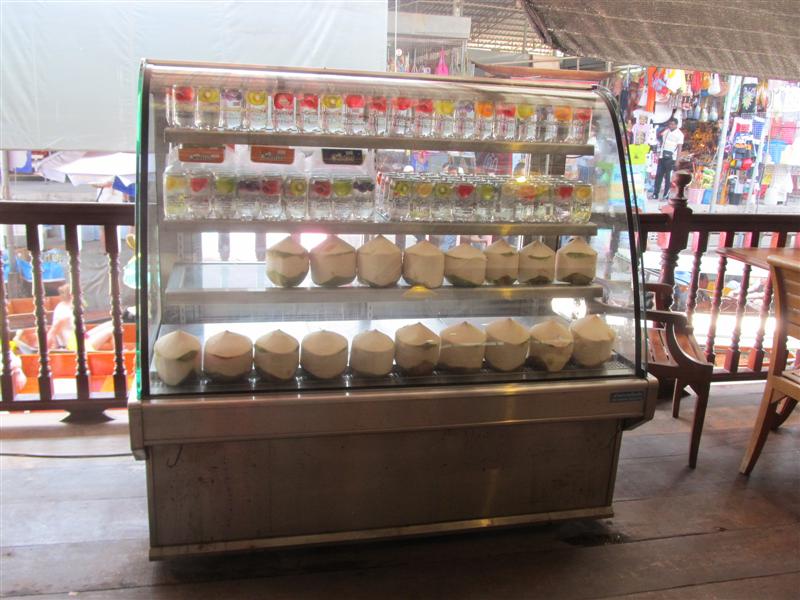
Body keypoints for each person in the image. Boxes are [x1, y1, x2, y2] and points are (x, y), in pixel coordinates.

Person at [652, 117, 684, 201]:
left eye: (673, 124)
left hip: (671, 158)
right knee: (658, 176)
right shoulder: (666, 132)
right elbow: (662, 143)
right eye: (670, 124)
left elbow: (679, 148)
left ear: (676, 125)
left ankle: (666, 195)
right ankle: (655, 193)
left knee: (668, 178)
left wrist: (677, 161)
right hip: (662, 157)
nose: (671, 126)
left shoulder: (680, 135)